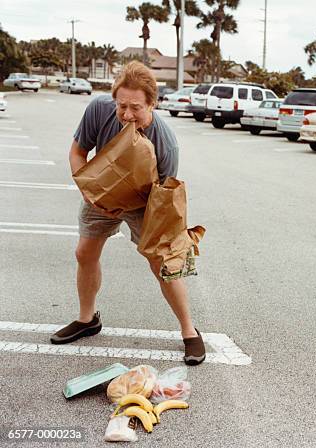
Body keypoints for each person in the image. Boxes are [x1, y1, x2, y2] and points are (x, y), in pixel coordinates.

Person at [50, 62, 205, 366]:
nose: (127, 114)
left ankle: (189, 331)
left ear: (152, 103)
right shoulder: (98, 110)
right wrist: (88, 191)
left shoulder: (166, 143)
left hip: (144, 202)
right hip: (100, 193)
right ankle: (87, 320)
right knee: (85, 253)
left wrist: (165, 237)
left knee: (161, 263)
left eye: (136, 107)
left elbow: (162, 198)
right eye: (122, 106)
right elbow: (77, 153)